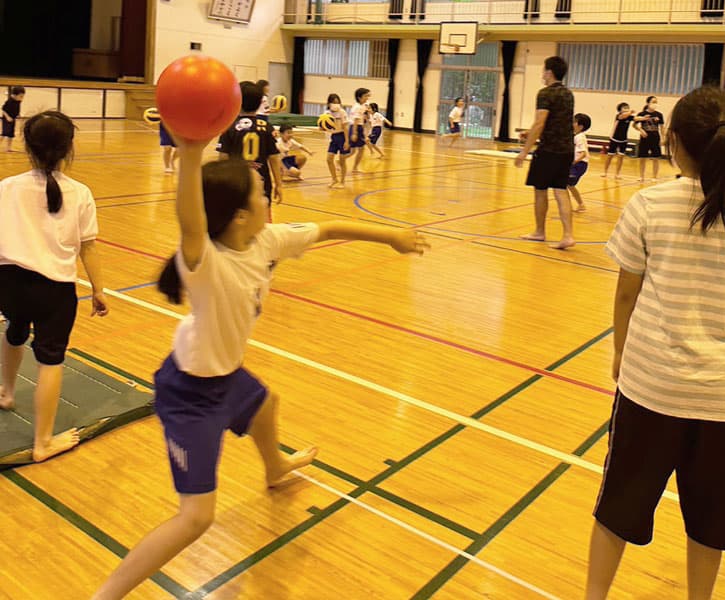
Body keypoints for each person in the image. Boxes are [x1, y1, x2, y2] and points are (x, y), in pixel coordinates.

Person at [91, 131, 429, 600]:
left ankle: (275, 468)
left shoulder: (266, 241)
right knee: (197, 518)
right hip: (190, 392)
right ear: (239, 216)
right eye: (260, 194)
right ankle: (107, 593)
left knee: (266, 403)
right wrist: (190, 155)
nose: (268, 198)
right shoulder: (205, 262)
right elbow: (190, 220)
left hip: (225, 375)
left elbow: (328, 230)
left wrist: (390, 236)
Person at [585, 86, 725, 600]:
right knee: (710, 517)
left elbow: (627, 292)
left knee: (618, 506)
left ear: (672, 141)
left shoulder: (649, 203)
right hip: (721, 396)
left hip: (651, 387)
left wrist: (621, 353)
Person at [0, 111, 109, 460]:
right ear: (68, 148)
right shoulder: (81, 193)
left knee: (15, 330)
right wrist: (99, 290)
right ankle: (42, 443)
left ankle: (6, 392)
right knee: (50, 360)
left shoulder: (7, 188)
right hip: (55, 292)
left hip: (9, 284)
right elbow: (88, 248)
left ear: (27, 146)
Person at [514, 56, 576, 250]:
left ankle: (539, 231)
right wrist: (530, 133)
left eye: (543, 70)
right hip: (566, 149)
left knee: (540, 191)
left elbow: (540, 122)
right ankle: (568, 235)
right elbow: (556, 122)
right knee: (561, 190)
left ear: (549, 72)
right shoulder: (568, 94)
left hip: (548, 150)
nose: (542, 73)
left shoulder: (545, 94)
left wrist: (524, 152)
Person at [216, 81, 282, 216]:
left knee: (236, 218)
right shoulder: (267, 127)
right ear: (259, 103)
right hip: (261, 181)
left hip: (236, 182)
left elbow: (223, 159)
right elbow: (274, 158)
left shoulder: (229, 127)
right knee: (263, 221)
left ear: (237, 101)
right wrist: (279, 184)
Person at [602, 102, 649, 179]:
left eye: (627, 107)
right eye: (624, 107)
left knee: (621, 157)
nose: (626, 109)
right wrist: (630, 112)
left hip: (623, 139)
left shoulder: (629, 117)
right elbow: (623, 116)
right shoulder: (619, 116)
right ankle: (605, 172)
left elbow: (636, 118)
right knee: (610, 156)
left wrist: (644, 118)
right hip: (614, 138)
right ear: (620, 110)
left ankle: (617, 174)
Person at [634, 96, 665, 182]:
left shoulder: (659, 115)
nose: (655, 104)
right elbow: (634, 125)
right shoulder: (642, 114)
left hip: (655, 137)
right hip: (645, 137)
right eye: (653, 102)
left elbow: (662, 127)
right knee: (642, 157)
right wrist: (641, 130)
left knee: (656, 158)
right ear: (648, 103)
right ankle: (641, 176)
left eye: (656, 102)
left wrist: (663, 138)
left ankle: (654, 176)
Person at [324, 93, 350, 189]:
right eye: (334, 102)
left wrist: (347, 141)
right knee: (329, 159)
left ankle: (342, 182)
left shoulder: (342, 112)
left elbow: (345, 127)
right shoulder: (327, 113)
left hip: (342, 136)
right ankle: (334, 179)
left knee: (342, 161)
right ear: (329, 103)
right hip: (334, 137)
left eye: (337, 102)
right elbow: (326, 127)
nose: (336, 104)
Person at [569, 113, 591, 212]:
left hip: (579, 165)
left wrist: (574, 162)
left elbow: (583, 153)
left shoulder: (580, 137)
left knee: (566, 184)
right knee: (569, 185)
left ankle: (572, 205)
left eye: (574, 122)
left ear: (580, 126)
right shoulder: (577, 135)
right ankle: (581, 205)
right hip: (577, 165)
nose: (572, 123)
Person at [348, 88, 371, 174]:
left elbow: (365, 117)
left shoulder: (362, 106)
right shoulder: (357, 107)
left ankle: (353, 167)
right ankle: (343, 162)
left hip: (359, 127)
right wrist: (354, 133)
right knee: (359, 150)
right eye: (366, 96)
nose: (367, 97)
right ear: (359, 97)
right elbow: (355, 121)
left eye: (368, 95)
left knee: (354, 150)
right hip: (355, 127)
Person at [2, 86, 25, 152]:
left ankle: (8, 148)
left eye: (22, 96)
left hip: (13, 119)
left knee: (10, 135)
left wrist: (18, 115)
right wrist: (7, 117)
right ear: (15, 95)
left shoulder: (18, 101)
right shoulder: (9, 101)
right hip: (7, 119)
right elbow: (3, 110)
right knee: (4, 134)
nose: (22, 98)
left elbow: (17, 109)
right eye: (20, 96)